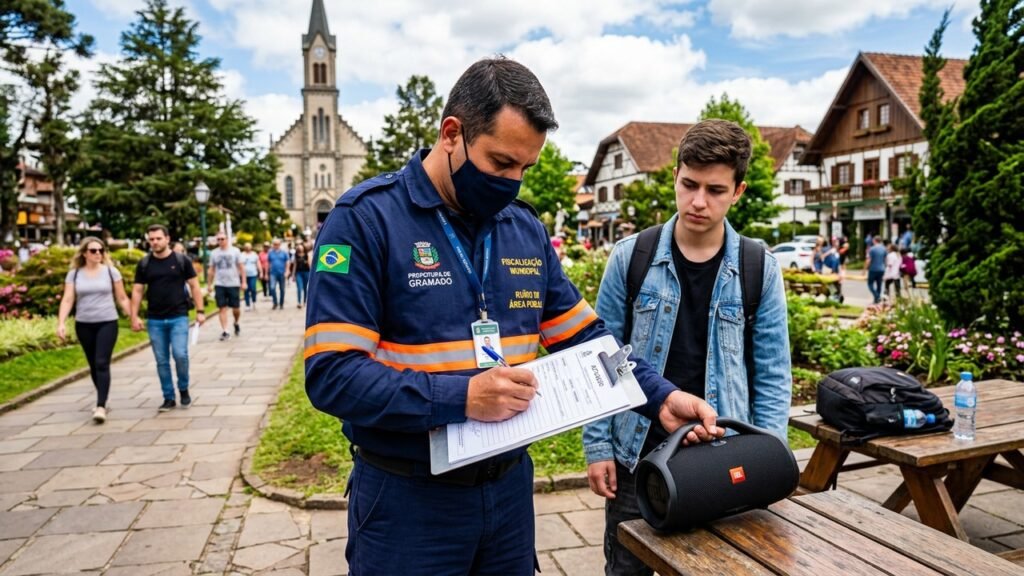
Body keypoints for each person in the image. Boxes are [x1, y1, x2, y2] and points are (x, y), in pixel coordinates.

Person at [303, 56, 723, 575]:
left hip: (507, 495)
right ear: (452, 133)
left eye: (526, 168)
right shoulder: (366, 220)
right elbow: (332, 375)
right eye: (502, 164)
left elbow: (586, 339)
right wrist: (461, 397)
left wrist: (659, 399)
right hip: (408, 500)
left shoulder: (522, 228)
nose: (514, 182)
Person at [582, 120, 792, 576]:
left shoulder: (760, 268)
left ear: (738, 191)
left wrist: (769, 458)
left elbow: (773, 374)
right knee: (626, 570)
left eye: (715, 190)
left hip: (725, 461)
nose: (698, 201)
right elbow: (602, 356)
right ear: (674, 176)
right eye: (689, 184)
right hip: (637, 455)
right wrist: (598, 447)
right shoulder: (630, 257)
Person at [57, 237, 132, 423]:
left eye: (101, 250)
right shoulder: (74, 274)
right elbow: (68, 299)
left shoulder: (111, 272)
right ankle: (103, 398)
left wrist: (133, 317)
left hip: (107, 322)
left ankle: (100, 406)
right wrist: (61, 323)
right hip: (84, 324)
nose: (98, 253)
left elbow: (122, 298)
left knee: (101, 362)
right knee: (92, 364)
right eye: (93, 251)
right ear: (84, 253)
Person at [131, 224, 205, 412]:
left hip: (178, 316)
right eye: (151, 239)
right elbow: (138, 290)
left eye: (158, 238)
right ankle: (168, 397)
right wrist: (134, 316)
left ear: (167, 238)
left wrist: (200, 310)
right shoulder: (145, 264)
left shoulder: (181, 261)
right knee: (161, 361)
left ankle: (184, 388)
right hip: (155, 319)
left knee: (180, 355)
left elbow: (195, 286)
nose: (154, 242)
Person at [208, 233, 246, 340]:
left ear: (227, 239)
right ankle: (225, 330)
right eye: (218, 239)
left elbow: (242, 267)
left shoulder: (235, 251)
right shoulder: (214, 253)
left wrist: (244, 282)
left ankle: (236, 322)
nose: (220, 241)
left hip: (233, 283)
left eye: (222, 239)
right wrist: (209, 284)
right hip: (220, 283)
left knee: (236, 308)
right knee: (222, 307)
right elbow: (211, 269)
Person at [267, 239, 290, 310]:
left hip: (282, 273)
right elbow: (268, 263)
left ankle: (281, 303)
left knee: (282, 289)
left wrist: (287, 271)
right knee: (272, 288)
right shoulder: (270, 253)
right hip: (273, 273)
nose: (276, 246)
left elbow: (287, 262)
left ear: (280, 245)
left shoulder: (284, 253)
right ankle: (275, 302)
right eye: (274, 244)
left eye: (277, 244)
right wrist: (266, 273)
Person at [865, 235, 887, 304]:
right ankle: (876, 299)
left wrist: (865, 269)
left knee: (870, 284)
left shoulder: (872, 249)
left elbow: (869, 260)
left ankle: (877, 296)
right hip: (881, 269)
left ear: (875, 240)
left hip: (873, 269)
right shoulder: (884, 249)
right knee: (879, 284)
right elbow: (885, 260)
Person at [291, 242, 311, 308]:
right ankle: (299, 302)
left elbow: (310, 264)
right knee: (299, 288)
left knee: (305, 288)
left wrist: (311, 274)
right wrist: (293, 275)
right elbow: (295, 265)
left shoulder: (306, 255)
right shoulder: (296, 255)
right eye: (299, 246)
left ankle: (305, 301)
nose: (300, 247)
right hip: (298, 273)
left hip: (306, 272)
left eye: (301, 246)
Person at [240, 242, 260, 311]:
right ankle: (247, 304)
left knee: (253, 288)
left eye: (249, 246)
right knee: (246, 290)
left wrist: (261, 271)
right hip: (244, 275)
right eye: (246, 246)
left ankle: (254, 301)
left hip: (253, 274)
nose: (248, 248)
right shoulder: (241, 255)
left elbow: (258, 263)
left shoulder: (254, 254)